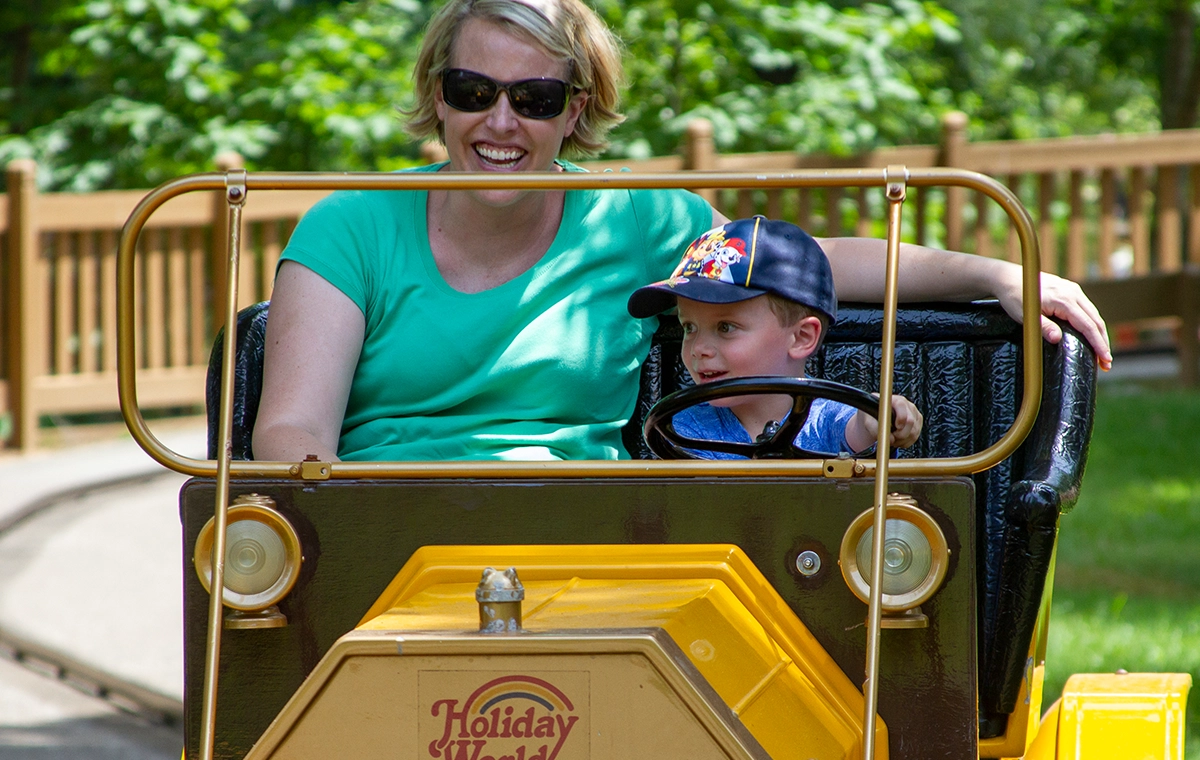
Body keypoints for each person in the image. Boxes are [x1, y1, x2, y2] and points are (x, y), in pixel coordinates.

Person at [252, 0, 1111, 464]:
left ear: (575, 111)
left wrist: (994, 273)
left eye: (536, 98)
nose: (501, 123)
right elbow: (292, 437)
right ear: (439, 94)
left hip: (578, 532)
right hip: (386, 525)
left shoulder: (635, 215)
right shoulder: (350, 225)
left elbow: (801, 264)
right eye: (474, 92)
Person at [628, 216, 922, 459]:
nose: (699, 349)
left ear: (801, 337)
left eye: (726, 327)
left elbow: (857, 429)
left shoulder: (826, 422)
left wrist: (880, 417)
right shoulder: (683, 426)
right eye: (689, 328)